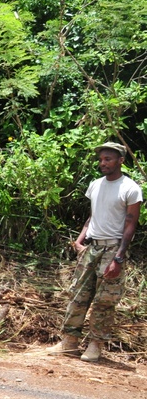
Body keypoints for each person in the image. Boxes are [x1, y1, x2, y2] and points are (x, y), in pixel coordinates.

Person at [49, 142, 142, 362]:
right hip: (93, 247)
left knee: (104, 300)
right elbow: (93, 217)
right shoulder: (95, 185)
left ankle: (94, 345)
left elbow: (131, 223)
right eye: (101, 160)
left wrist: (118, 257)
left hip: (113, 248)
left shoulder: (130, 188)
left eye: (108, 159)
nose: (103, 163)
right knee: (78, 295)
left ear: (121, 160)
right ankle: (69, 343)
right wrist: (80, 243)